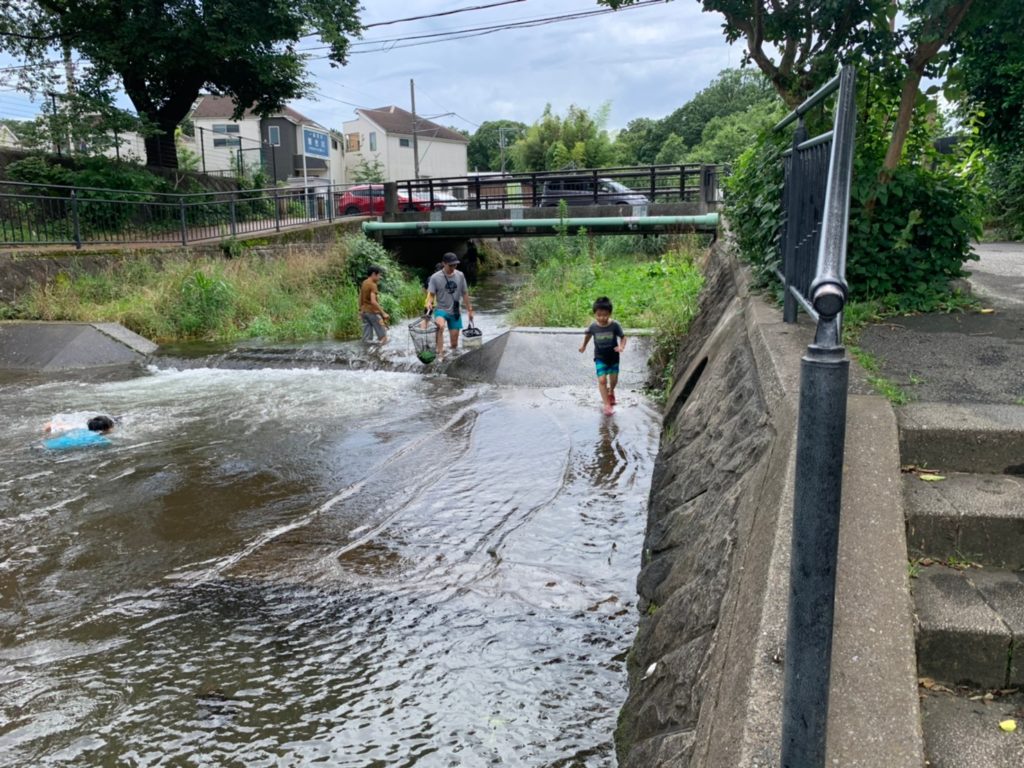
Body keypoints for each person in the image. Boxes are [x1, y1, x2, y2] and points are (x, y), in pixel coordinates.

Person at [579, 296, 627, 416]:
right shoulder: (593, 326)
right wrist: (583, 345)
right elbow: (588, 335)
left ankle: (611, 392)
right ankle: (606, 404)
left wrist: (621, 347)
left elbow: (623, 337)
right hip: (600, 357)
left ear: (610, 314)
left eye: (605, 315)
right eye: (598, 315)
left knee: (614, 380)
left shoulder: (615, 325)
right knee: (602, 380)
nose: (601, 318)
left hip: (614, 357)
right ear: (595, 314)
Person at [425, 252, 474, 359]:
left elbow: (465, 293)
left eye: (455, 265)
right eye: (450, 265)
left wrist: (470, 310)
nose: (453, 267)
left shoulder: (460, 275)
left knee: (454, 344)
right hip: (441, 309)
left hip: (455, 311)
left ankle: (451, 360)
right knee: (440, 326)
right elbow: (431, 294)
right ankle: (440, 354)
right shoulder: (435, 277)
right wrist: (429, 302)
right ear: (444, 263)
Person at [43, 414, 115, 450]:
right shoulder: (102, 441)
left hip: (45, 445)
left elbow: (49, 425)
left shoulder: (79, 429)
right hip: (52, 450)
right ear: (106, 430)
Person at [358, 265, 390, 344]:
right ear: (373, 274)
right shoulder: (373, 284)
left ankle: (368, 354)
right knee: (384, 338)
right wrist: (383, 313)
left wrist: (360, 310)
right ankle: (379, 354)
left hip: (365, 313)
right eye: (379, 275)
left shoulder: (364, 282)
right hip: (373, 313)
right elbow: (373, 301)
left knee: (367, 339)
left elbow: (360, 297)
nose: (379, 277)